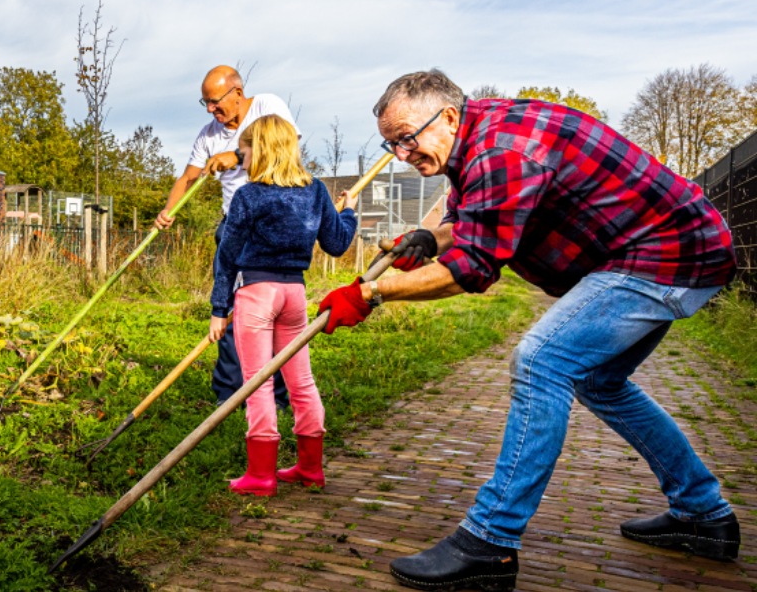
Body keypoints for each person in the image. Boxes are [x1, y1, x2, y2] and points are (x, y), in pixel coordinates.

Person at [315, 70, 739, 591]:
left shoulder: (501, 152)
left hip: (667, 255)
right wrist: (430, 236)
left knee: (542, 361)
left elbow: (472, 267)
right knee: (599, 382)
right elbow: (473, 225)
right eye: (390, 143)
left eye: (406, 138)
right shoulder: (479, 141)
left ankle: (489, 544)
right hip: (665, 251)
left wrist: (368, 294)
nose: (401, 154)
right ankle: (704, 515)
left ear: (447, 117)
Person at [209, 115, 358, 496]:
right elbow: (338, 244)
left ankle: (260, 476)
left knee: (258, 383)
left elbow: (227, 256)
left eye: (244, 150)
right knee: (301, 381)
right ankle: (310, 469)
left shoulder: (250, 195)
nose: (241, 158)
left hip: (257, 293)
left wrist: (218, 309)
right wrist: (349, 213)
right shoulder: (315, 191)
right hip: (294, 296)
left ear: (260, 149)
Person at [154, 65, 296, 410]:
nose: (210, 110)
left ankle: (275, 395)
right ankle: (230, 392)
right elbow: (188, 177)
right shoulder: (208, 134)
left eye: (215, 102)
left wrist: (234, 157)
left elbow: (284, 146)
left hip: (273, 223)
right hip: (233, 225)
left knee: (273, 310)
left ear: (237, 91)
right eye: (204, 103)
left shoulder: (267, 106)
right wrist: (168, 210)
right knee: (228, 307)